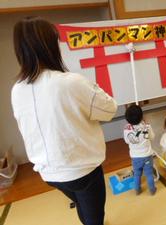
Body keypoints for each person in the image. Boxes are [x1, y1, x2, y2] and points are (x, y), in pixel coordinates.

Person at [11, 17, 117, 225]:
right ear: (50, 46)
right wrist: (92, 88)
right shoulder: (70, 82)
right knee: (94, 216)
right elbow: (110, 109)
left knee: (82, 205)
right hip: (82, 170)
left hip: (48, 173)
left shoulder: (17, 89)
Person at [123, 104, 156, 195]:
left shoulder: (127, 129)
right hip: (147, 156)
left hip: (135, 157)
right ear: (142, 116)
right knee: (149, 174)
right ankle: (152, 190)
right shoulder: (147, 126)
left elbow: (127, 141)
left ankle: (137, 190)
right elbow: (152, 137)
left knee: (137, 174)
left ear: (127, 119)